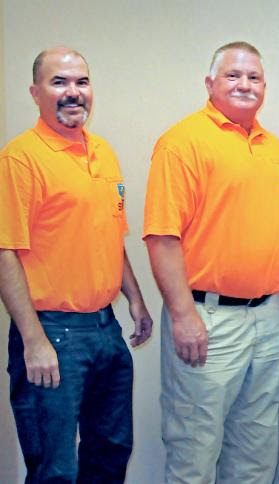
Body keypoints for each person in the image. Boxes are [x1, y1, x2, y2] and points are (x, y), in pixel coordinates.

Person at [143, 41, 279, 483]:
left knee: (256, 448)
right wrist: (182, 316)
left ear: (264, 87)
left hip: (267, 317)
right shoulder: (182, 143)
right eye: (233, 75)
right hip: (207, 319)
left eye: (253, 77)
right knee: (195, 446)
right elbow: (161, 238)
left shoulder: (273, 149)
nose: (244, 84)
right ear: (209, 83)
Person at [0, 47, 153, 483]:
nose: (73, 93)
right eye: (59, 82)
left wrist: (136, 300)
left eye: (81, 82)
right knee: (56, 468)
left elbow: (109, 233)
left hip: (105, 331)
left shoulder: (102, 152)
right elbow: (5, 251)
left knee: (110, 453)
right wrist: (33, 341)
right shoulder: (21, 159)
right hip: (52, 333)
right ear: (35, 92)